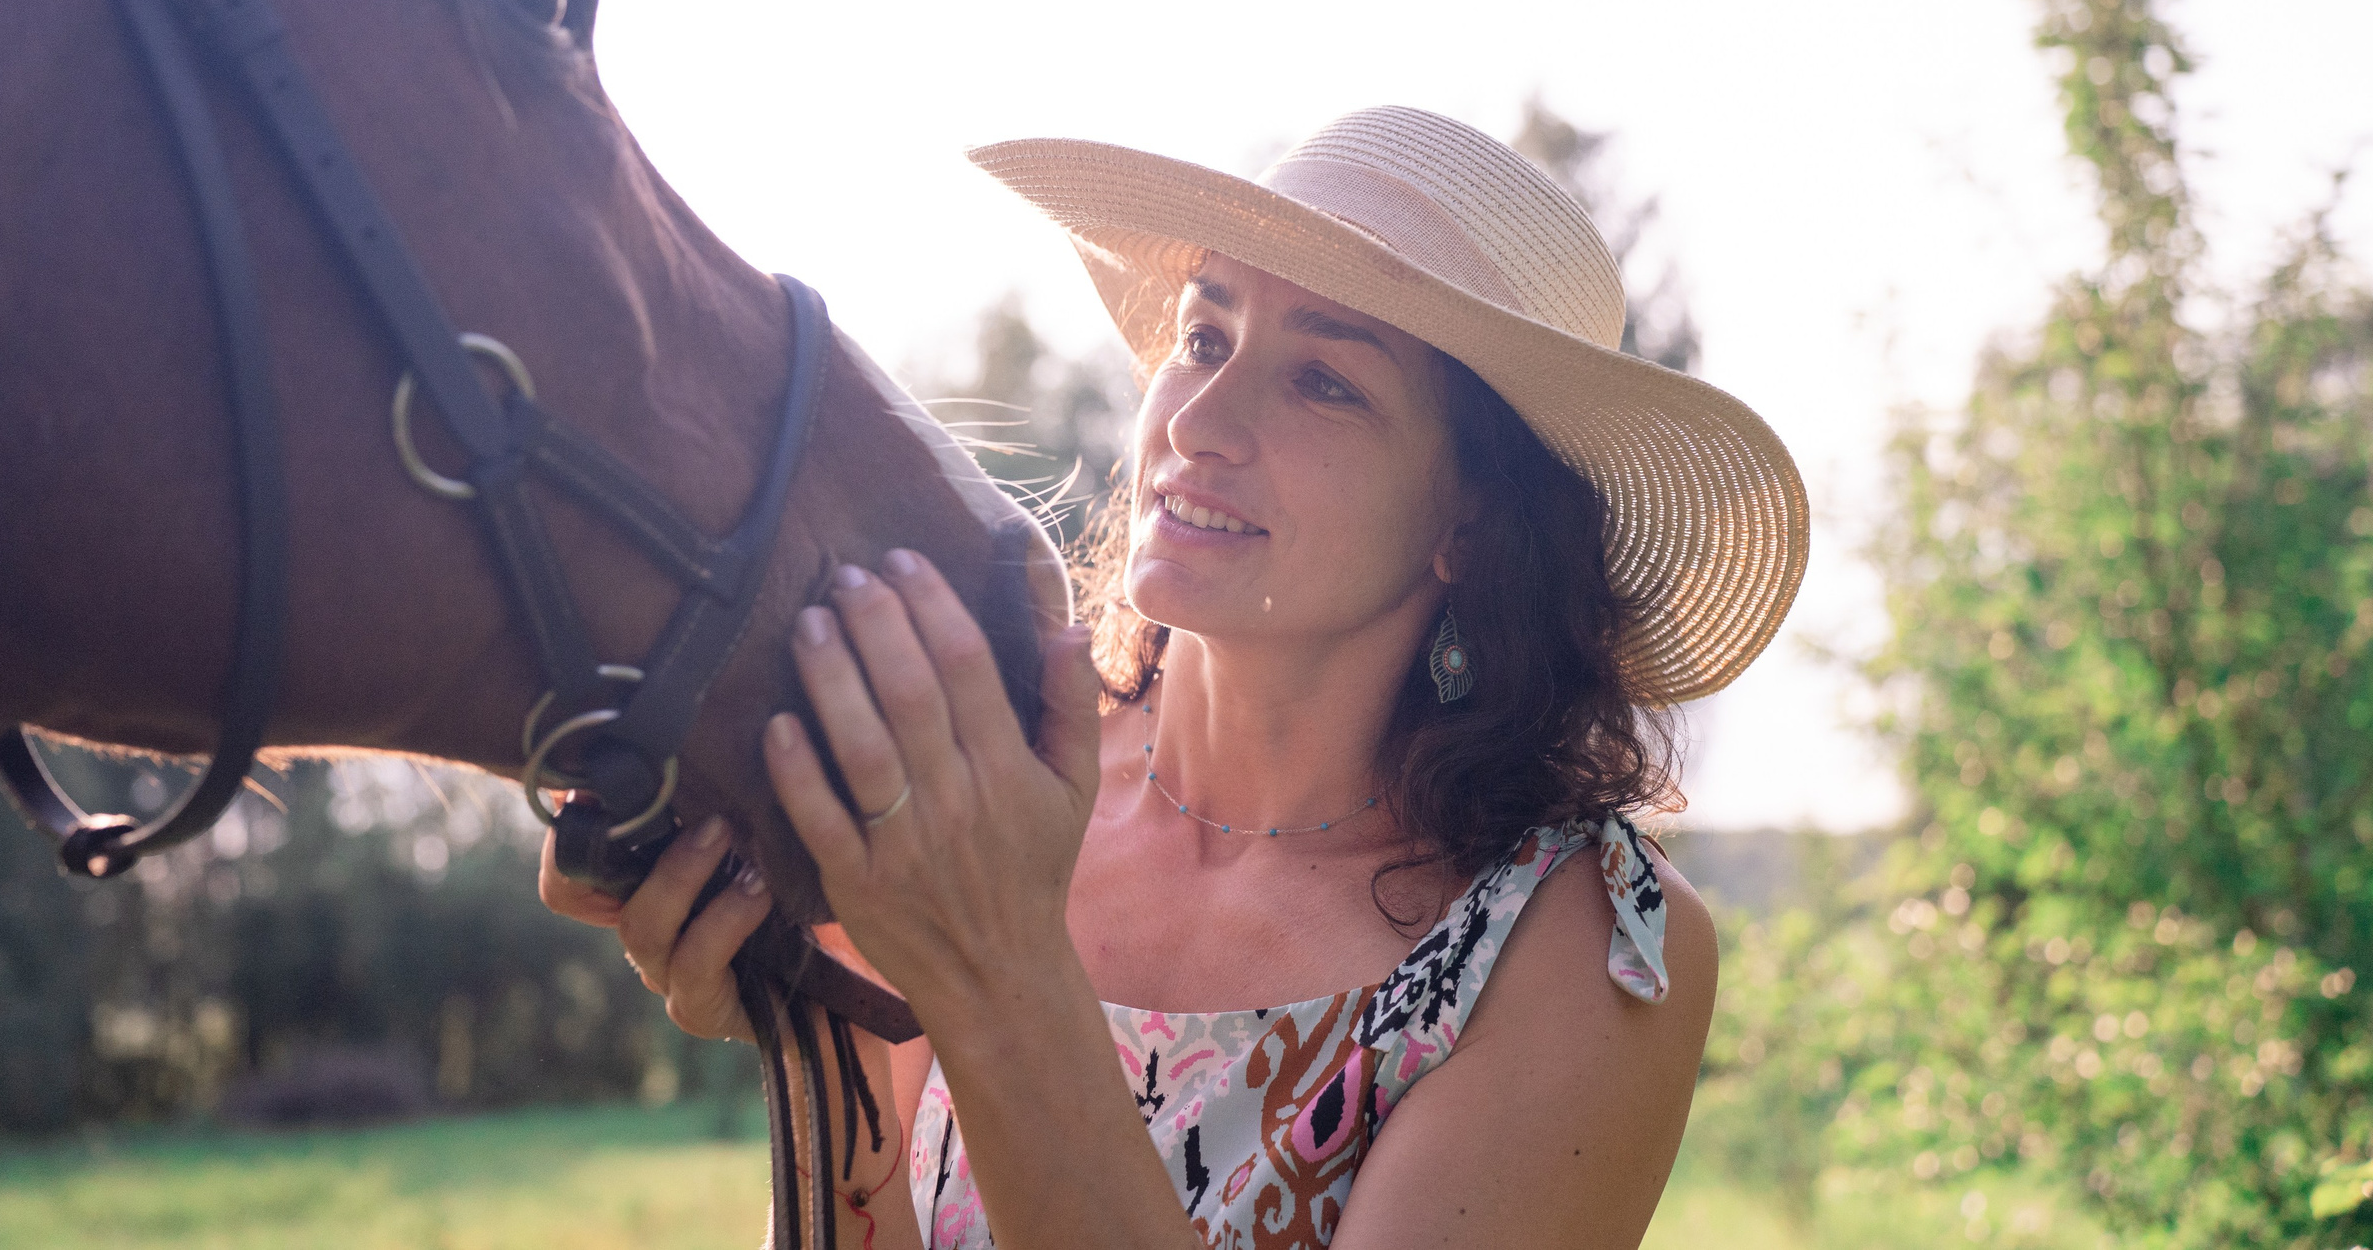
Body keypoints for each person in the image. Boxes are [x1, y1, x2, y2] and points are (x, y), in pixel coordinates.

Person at [542, 106, 1808, 1248]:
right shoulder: (999, 769)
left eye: (1325, 379)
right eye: (1205, 333)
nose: (1197, 419)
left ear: (1471, 526)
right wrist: (816, 1037)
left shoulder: (1572, 944)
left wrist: (993, 970)